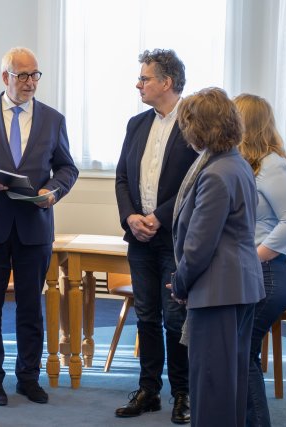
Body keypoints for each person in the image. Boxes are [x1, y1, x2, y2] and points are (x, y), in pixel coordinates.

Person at [0, 46, 79, 406]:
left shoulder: (53, 119)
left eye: (35, 75)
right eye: (22, 76)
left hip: (35, 226)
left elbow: (68, 168)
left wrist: (52, 191)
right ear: (5, 76)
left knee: (30, 308)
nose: (30, 83)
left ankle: (28, 378)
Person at [171, 87, 265, 426]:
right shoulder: (235, 163)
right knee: (230, 386)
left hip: (217, 291)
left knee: (211, 388)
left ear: (200, 127)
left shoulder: (214, 173)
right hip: (239, 287)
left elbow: (198, 246)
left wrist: (180, 285)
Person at [114, 48, 196, 424]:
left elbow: (192, 185)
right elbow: (122, 178)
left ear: (166, 82)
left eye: (145, 78)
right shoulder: (136, 123)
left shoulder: (195, 125)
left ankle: (184, 393)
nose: (138, 84)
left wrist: (158, 218)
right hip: (139, 239)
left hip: (175, 238)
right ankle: (149, 390)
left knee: (176, 320)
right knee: (145, 316)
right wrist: (131, 216)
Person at [233, 94, 286, 427]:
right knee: (238, 348)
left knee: (242, 348)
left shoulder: (273, 165)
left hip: (274, 270)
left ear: (247, 123)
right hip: (256, 267)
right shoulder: (247, 163)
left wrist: (252, 258)